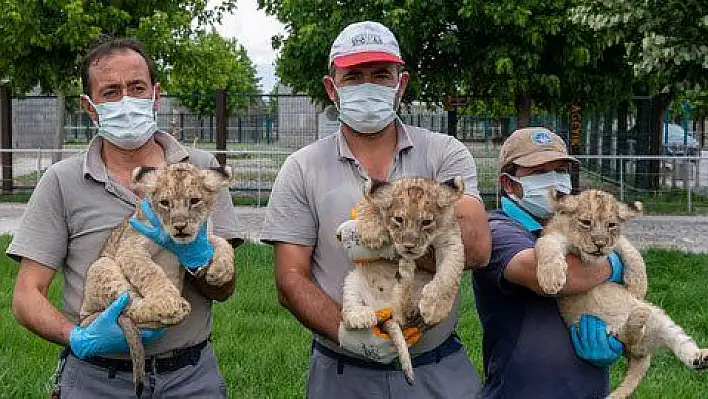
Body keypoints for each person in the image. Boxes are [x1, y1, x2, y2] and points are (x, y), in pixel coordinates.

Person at [261, 21, 491, 398]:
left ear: (400, 84)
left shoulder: (444, 153)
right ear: (331, 88)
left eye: (381, 74)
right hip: (342, 371)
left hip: (435, 366)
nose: (368, 85)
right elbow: (290, 279)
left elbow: (477, 246)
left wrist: (385, 243)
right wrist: (346, 333)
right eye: (353, 76)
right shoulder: (302, 168)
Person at [9, 38, 240, 398]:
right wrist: (79, 338)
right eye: (111, 92)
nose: (126, 102)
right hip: (97, 377)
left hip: (189, 377)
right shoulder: (62, 181)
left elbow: (224, 290)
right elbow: (25, 295)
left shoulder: (201, 171)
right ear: (89, 107)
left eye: (136, 88)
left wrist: (199, 257)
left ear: (156, 95)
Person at [473, 127, 628, 398]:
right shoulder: (497, 230)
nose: (555, 180)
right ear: (509, 184)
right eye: (539, 172)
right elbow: (549, 276)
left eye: (560, 170)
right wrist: (616, 263)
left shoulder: (580, 228)